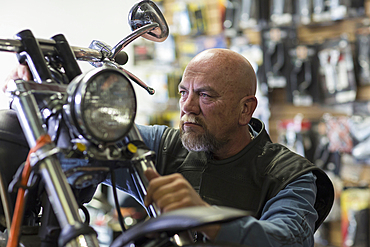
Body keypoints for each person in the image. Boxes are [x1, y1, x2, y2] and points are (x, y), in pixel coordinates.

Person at [3, 48, 334, 247]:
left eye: (205, 95)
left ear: (245, 109)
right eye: (182, 92)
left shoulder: (290, 175)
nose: (187, 106)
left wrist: (206, 217)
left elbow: (285, 239)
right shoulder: (162, 147)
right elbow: (96, 130)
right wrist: (45, 95)